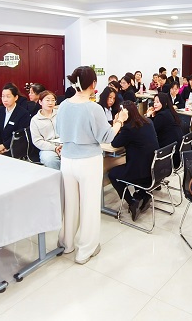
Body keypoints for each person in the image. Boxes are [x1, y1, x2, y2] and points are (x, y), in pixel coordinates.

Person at [56, 66, 128, 264]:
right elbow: (107, 136)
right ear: (93, 84)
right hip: (88, 162)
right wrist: (120, 121)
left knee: (70, 204)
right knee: (89, 205)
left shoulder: (63, 105)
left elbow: (59, 130)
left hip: (67, 161)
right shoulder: (93, 108)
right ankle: (85, 250)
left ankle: (67, 243)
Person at [109, 100, 159, 221]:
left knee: (112, 174)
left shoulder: (129, 129)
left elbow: (114, 143)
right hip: (154, 169)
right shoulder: (148, 121)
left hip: (141, 173)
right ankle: (143, 195)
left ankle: (132, 202)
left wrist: (117, 123)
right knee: (134, 162)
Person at [0, 83, 31, 155]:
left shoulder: (23, 113)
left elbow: (20, 135)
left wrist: (4, 146)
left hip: (15, 147)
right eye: (3, 96)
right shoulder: (0, 111)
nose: (5, 100)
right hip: (0, 146)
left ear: (16, 97)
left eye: (8, 96)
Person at [146, 92, 183, 167]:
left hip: (168, 154)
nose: (155, 104)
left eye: (158, 102)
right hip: (175, 151)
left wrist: (148, 116)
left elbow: (151, 131)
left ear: (164, 103)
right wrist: (153, 116)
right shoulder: (169, 111)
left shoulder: (162, 115)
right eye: (154, 102)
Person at [30, 90, 61, 169]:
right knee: (50, 160)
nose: (50, 103)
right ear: (40, 102)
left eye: (53, 100)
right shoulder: (35, 120)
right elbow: (37, 141)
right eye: (47, 100)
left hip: (63, 144)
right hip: (47, 148)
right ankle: (58, 176)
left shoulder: (60, 114)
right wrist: (54, 148)